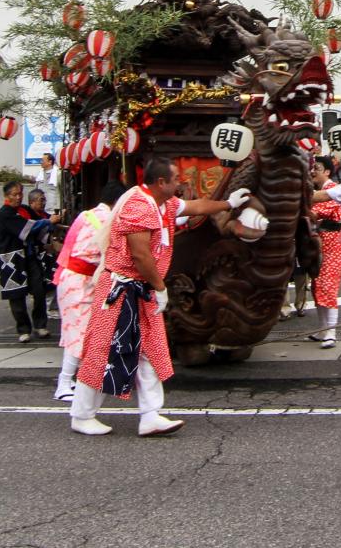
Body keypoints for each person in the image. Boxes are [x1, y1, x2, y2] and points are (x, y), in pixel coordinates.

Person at [69, 157, 248, 437]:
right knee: (104, 351)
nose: (181, 182)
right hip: (121, 291)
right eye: (176, 178)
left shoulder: (163, 203)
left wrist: (230, 203)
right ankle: (81, 414)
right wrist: (160, 288)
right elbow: (140, 255)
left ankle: (150, 415)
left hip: (142, 290)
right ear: (161, 182)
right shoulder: (138, 206)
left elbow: (197, 205)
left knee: (149, 352)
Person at [53, 180, 120, 400]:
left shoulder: (86, 214)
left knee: (78, 333)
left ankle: (77, 380)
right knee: (79, 335)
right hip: (79, 282)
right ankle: (64, 384)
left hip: (71, 278)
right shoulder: (107, 220)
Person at [0, 181, 53, 342]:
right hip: (11, 259)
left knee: (39, 289)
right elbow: (28, 228)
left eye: (20, 193)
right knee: (16, 295)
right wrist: (49, 222)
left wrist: (52, 220)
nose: (18, 197)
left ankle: (40, 325)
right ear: (6, 196)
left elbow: (40, 218)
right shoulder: (4, 213)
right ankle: (23, 329)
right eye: (14, 194)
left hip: (29, 255)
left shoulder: (25, 210)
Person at [307, 156, 341, 349]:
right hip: (320, 242)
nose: (313, 172)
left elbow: (316, 213)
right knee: (318, 285)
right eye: (312, 168)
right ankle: (323, 328)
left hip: (334, 242)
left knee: (328, 284)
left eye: (316, 168)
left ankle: (332, 331)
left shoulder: (334, 190)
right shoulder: (320, 191)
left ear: (327, 171)